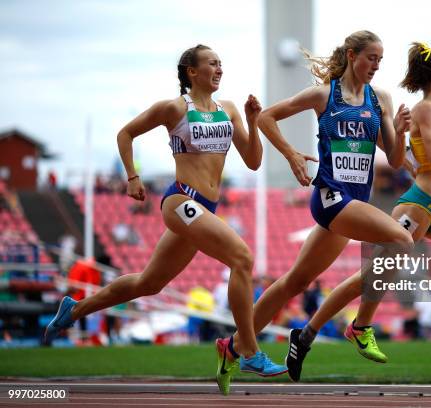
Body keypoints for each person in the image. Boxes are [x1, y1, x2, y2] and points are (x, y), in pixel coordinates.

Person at [43, 44, 286, 394]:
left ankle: (75, 308)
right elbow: (125, 133)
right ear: (192, 71)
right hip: (181, 201)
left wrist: (250, 121)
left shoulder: (228, 109)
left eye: (221, 64)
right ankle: (247, 350)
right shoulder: (174, 108)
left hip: (206, 207)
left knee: (149, 283)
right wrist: (132, 177)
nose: (219, 69)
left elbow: (253, 161)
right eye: (212, 64)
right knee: (242, 258)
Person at [285, 42, 431, 381]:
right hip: (418, 206)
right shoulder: (426, 109)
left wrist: (407, 152)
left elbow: (418, 159)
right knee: (367, 278)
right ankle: (308, 334)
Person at [222, 30, 412, 388]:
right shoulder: (324, 95)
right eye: (371, 58)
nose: (376, 66)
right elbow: (266, 119)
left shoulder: (381, 99)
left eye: (381, 61)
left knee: (294, 282)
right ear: (353, 55)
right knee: (402, 242)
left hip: (354, 203)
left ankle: (233, 347)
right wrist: (292, 154)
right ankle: (361, 326)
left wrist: (400, 132)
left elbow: (396, 159)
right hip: (330, 197)